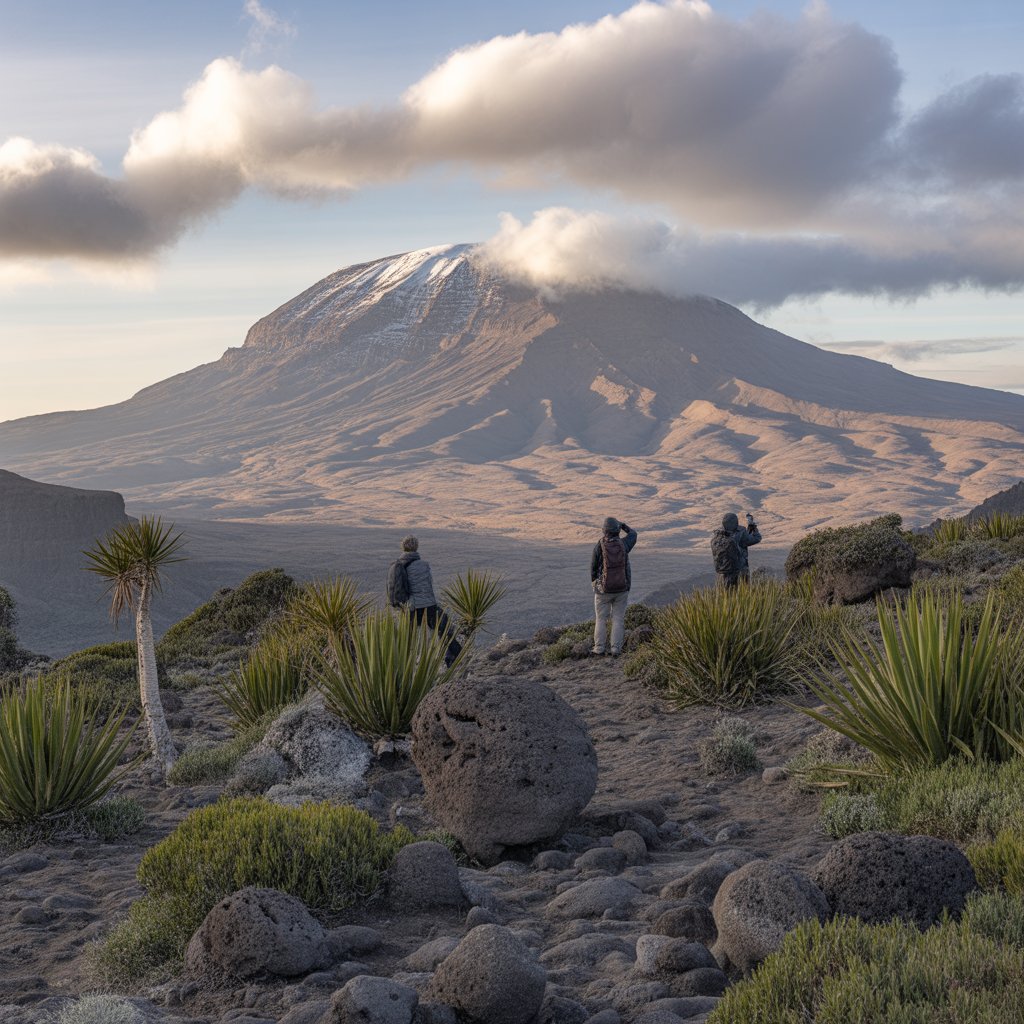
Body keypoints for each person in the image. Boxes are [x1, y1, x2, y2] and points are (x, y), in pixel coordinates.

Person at [387, 535, 462, 666]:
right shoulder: (424, 565)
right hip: (430, 606)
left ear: (402, 547)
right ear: (417, 547)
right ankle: (456, 659)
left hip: (412, 609)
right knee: (444, 632)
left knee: (405, 640)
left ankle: (400, 665)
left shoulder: (399, 565)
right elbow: (429, 584)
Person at [590, 516, 638, 657]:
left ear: (604, 531)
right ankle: (616, 649)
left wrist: (596, 585)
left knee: (601, 619)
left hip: (603, 591)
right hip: (622, 589)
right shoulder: (624, 544)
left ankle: (599, 648)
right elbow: (634, 534)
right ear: (617, 530)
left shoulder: (599, 546)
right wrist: (623, 525)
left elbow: (593, 568)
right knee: (618, 619)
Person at [711, 512, 761, 588]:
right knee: (742, 593)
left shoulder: (719, 534)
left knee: (727, 595)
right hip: (740, 570)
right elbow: (756, 538)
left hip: (723, 572)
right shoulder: (740, 532)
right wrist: (753, 528)